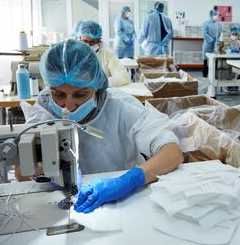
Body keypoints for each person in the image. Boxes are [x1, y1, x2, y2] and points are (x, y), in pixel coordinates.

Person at [19, 39, 183, 214]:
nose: (68, 105)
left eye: (80, 94)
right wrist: (38, 169)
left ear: (97, 87)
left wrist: (128, 180)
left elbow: (172, 153)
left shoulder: (120, 107)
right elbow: (21, 174)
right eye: (58, 94)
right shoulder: (43, 112)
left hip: (126, 201)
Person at [74, 20, 130, 87]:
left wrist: (102, 83)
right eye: (85, 41)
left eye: (93, 42)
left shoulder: (107, 54)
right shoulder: (73, 54)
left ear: (99, 41)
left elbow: (123, 78)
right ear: (79, 38)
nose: (88, 45)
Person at [202, 9, 222, 78]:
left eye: (217, 15)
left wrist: (217, 40)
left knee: (215, 59)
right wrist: (211, 39)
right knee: (206, 60)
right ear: (211, 15)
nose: (216, 16)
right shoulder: (206, 23)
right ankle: (205, 74)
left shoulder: (219, 25)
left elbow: (219, 34)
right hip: (207, 44)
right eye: (215, 14)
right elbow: (204, 34)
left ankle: (214, 75)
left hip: (216, 45)